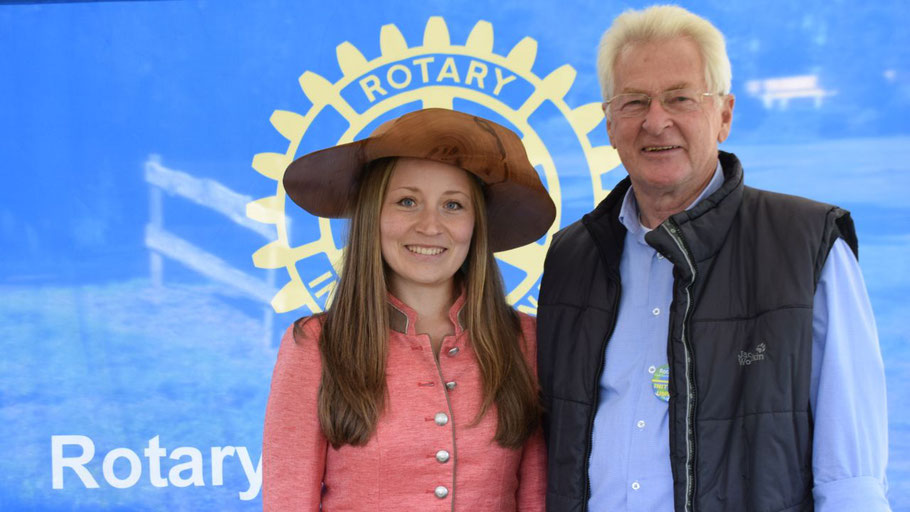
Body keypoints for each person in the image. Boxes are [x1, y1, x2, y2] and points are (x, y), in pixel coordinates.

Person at [537, 5, 890, 512]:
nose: (656, 121)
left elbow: (851, 480)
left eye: (680, 98)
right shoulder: (572, 257)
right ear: (610, 123)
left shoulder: (806, 244)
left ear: (723, 115)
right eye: (635, 101)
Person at [262, 108, 554, 511]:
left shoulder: (526, 341)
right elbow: (288, 502)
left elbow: (537, 498)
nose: (430, 226)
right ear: (373, 216)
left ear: (476, 224)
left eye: (453, 205)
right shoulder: (314, 345)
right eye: (406, 201)